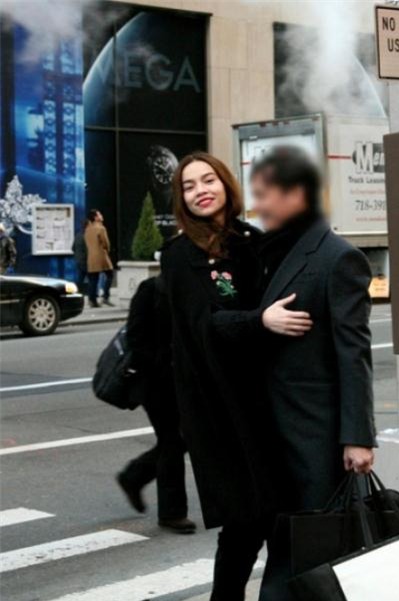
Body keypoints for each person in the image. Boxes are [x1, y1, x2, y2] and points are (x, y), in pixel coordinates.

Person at [212, 146, 377, 600]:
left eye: (265, 194)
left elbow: (353, 353)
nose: (257, 205)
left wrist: (358, 436)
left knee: (305, 551)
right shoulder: (259, 253)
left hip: (312, 436)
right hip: (264, 435)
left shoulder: (337, 257)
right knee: (273, 545)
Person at [161, 151, 310, 601]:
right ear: (182, 200)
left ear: (226, 185)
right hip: (219, 409)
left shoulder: (251, 242)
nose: (200, 190)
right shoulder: (181, 255)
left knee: (277, 521)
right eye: (189, 186)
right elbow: (204, 322)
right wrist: (259, 321)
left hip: (268, 402)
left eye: (208, 180)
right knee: (245, 522)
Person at [116, 276, 195, 534]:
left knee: (179, 440)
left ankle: (134, 476)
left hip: (185, 380)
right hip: (157, 383)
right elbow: (136, 336)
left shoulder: (194, 286)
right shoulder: (151, 289)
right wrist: (159, 367)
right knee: (173, 440)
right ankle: (172, 513)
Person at [85, 209, 114, 307]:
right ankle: (105, 297)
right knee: (110, 274)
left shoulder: (88, 229)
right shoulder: (101, 228)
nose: (101, 215)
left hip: (91, 257)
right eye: (99, 214)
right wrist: (107, 250)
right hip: (101, 255)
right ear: (95, 217)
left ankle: (92, 300)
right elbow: (106, 243)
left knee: (93, 278)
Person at [71, 220, 89, 295]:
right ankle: (92, 293)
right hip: (85, 261)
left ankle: (78, 291)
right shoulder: (86, 236)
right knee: (92, 278)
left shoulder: (78, 235)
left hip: (78, 260)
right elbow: (87, 250)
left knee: (80, 277)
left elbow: (73, 248)